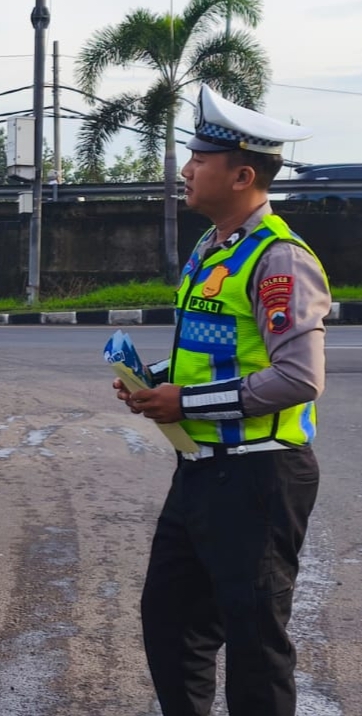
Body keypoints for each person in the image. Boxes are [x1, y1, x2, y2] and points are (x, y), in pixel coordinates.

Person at [114, 84, 330, 716]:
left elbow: (299, 377)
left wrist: (189, 404)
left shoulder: (279, 258)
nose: (185, 169)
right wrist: (155, 383)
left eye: (198, 159)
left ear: (241, 175)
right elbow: (218, 354)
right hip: (201, 471)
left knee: (256, 645)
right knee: (171, 622)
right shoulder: (213, 249)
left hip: (261, 476)